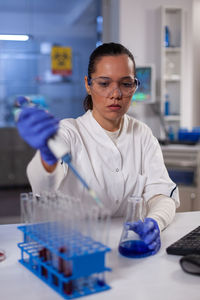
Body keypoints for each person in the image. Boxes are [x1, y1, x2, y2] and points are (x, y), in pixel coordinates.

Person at [16, 42, 179, 255]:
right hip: (76, 250)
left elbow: (161, 194)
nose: (116, 94)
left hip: (129, 249)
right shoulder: (69, 131)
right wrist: (48, 156)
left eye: (126, 83)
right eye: (104, 83)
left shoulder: (143, 134)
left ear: (134, 86)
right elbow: (42, 186)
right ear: (88, 84)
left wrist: (155, 222)